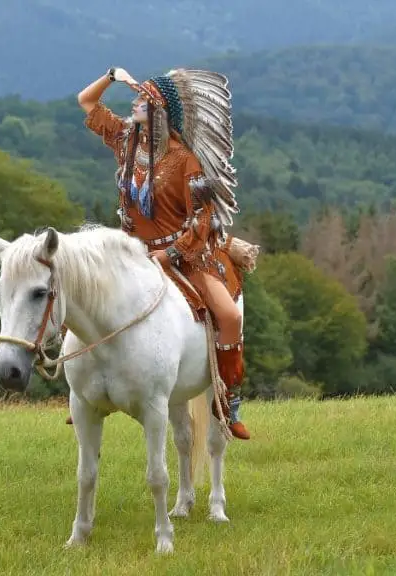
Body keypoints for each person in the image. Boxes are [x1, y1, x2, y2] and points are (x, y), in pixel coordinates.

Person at [69, 66, 251, 440]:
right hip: (129, 251)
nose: (134, 104)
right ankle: (84, 391)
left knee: (229, 316)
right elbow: (86, 101)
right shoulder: (124, 140)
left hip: (182, 254)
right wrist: (111, 76)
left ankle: (226, 400)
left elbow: (203, 218)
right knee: (81, 295)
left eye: (143, 100)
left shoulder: (186, 161)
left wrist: (169, 256)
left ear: (160, 112)